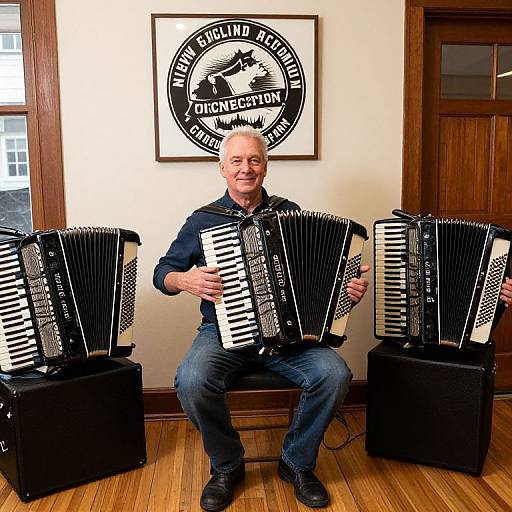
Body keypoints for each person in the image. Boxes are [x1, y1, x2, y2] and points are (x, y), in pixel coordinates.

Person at [153, 126, 370, 511]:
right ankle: (227, 465)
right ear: (222, 168)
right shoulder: (202, 221)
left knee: (335, 374)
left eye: (254, 160)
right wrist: (184, 279)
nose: (245, 168)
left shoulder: (290, 213)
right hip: (221, 333)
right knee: (190, 380)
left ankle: (296, 462)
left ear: (265, 167)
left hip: (288, 341)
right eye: (236, 160)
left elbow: (317, 286)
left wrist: (346, 296)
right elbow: (161, 274)